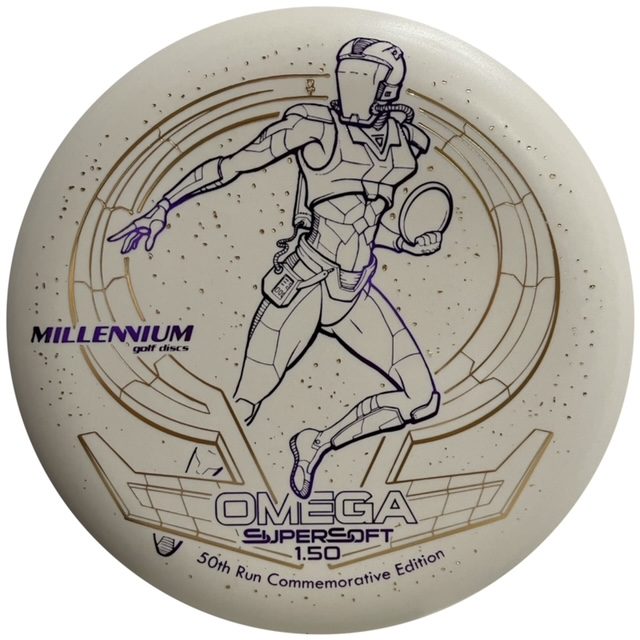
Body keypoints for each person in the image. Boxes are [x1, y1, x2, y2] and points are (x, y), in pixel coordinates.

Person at [109, 37, 449, 498]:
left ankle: (317, 443)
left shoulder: (403, 140)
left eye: (363, 77)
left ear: (387, 87)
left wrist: (406, 242)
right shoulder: (315, 127)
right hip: (305, 283)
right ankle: (182, 490)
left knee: (421, 399)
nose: (351, 85)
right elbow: (232, 165)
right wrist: (164, 206)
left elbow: (368, 220)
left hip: (354, 292)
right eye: (347, 74)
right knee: (244, 405)